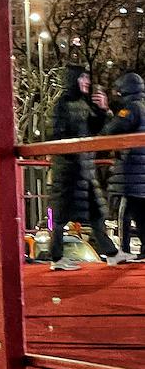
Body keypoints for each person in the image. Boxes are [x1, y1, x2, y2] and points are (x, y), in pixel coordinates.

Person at [48, 63, 131, 270]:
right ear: (73, 80)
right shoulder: (62, 105)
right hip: (69, 170)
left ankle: (111, 253)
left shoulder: (84, 104)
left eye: (87, 77)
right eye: (82, 78)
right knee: (61, 215)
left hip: (85, 169)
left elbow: (99, 130)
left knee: (97, 212)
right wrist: (72, 154)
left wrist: (103, 110)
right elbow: (57, 134)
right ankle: (56, 258)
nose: (87, 81)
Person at [102, 72, 145, 261]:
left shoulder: (131, 109)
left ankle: (124, 250)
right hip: (141, 173)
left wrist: (107, 114)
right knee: (141, 213)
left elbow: (112, 130)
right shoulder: (142, 107)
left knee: (125, 212)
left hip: (131, 171)